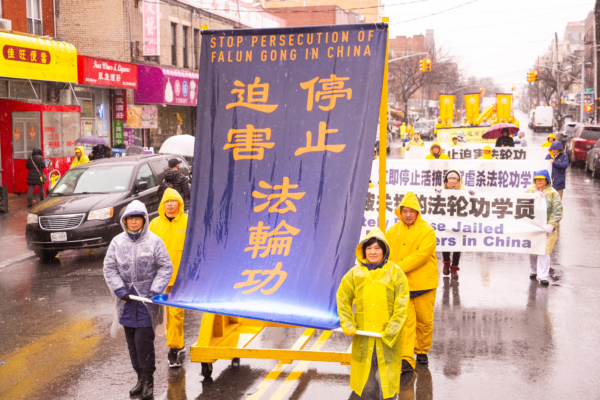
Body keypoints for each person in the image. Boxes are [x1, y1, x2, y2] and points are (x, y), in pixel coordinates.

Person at [103, 201, 173, 399]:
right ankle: (139, 378)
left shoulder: (154, 242)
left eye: (137, 218)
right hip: (126, 301)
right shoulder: (117, 242)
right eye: (129, 218)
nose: (133, 222)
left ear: (144, 220)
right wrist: (119, 288)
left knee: (144, 342)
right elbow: (109, 268)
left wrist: (155, 290)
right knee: (132, 343)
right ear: (124, 221)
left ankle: (148, 380)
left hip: (146, 302)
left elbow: (165, 267)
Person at [337, 228, 410, 399]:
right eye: (369, 248)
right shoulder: (354, 274)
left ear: (384, 251)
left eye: (377, 248)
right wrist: (347, 322)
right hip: (363, 337)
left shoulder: (396, 273)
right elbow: (343, 298)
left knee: (385, 384)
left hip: (388, 340)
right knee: (366, 385)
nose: (372, 252)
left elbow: (402, 305)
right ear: (363, 251)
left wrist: (391, 330)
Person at [386, 192, 438, 372]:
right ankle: (406, 358)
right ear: (399, 212)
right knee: (405, 322)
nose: (408, 214)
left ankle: (422, 351)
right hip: (402, 285)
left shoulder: (427, 230)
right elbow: (386, 254)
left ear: (418, 212)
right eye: (404, 211)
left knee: (425, 321)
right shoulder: (392, 231)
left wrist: (397, 268)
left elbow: (422, 256)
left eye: (411, 211)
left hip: (425, 284)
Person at [149, 188, 188, 368]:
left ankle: (174, 349)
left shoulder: (188, 222)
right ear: (162, 204)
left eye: (173, 201)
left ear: (179, 204)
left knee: (176, 313)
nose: (170, 204)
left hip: (181, 277)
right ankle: (178, 343)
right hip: (160, 277)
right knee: (163, 315)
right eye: (167, 201)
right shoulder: (155, 224)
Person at [525, 170, 563, 286]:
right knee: (533, 249)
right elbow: (518, 200)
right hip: (533, 227)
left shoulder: (553, 193)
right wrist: (532, 197)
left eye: (542, 179)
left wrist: (551, 224)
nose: (539, 181)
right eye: (537, 179)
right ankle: (534, 271)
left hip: (546, 228)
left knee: (544, 251)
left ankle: (543, 276)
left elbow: (557, 210)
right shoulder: (530, 190)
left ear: (547, 180)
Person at [442, 170, 465, 278]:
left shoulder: (464, 193)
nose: (452, 181)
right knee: (445, 243)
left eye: (454, 179)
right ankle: (446, 263)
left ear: (459, 181)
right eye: (449, 179)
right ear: (446, 181)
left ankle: (454, 267)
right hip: (445, 223)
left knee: (457, 245)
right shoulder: (441, 192)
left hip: (458, 223)